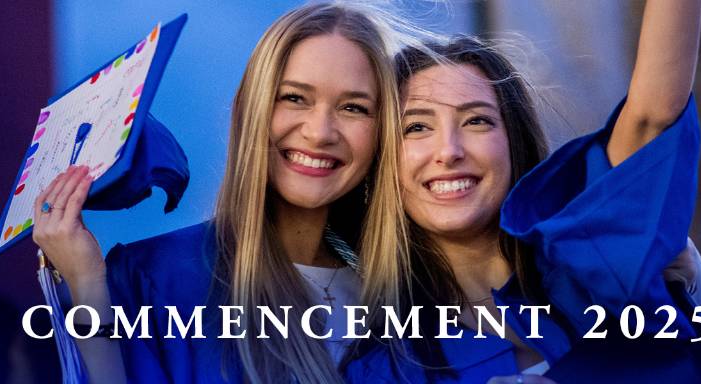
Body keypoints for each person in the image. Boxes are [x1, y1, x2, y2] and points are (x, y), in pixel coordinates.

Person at [31, 3, 422, 383]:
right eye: (294, 98)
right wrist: (87, 285)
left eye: (353, 108)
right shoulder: (156, 279)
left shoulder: (409, 301)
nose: (320, 132)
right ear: (250, 111)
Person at [347, 0, 701, 382]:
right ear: (384, 161)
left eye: (477, 121)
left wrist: (700, 294)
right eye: (416, 127)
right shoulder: (380, 366)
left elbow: (652, 115)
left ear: (514, 141)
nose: (449, 151)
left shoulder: (594, 265)